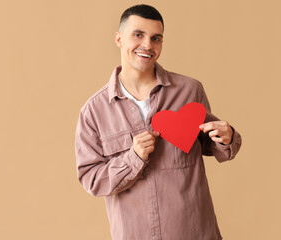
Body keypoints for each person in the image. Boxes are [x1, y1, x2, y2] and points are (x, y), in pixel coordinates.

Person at [75, 4, 242, 240]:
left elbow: (213, 145)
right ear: (119, 39)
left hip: (194, 233)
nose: (147, 45)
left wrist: (228, 137)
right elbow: (91, 179)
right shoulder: (94, 111)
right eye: (138, 35)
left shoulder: (189, 91)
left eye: (156, 38)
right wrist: (133, 158)